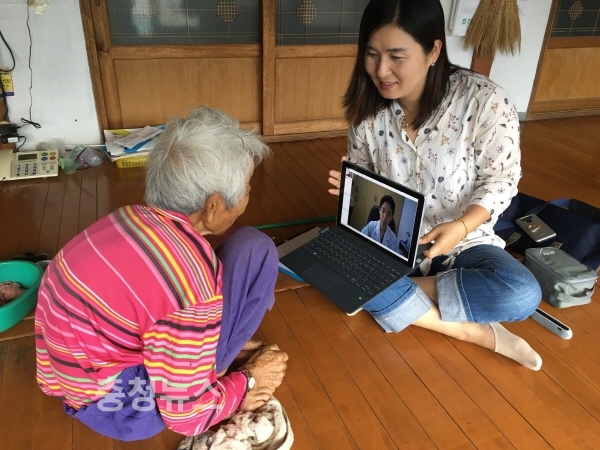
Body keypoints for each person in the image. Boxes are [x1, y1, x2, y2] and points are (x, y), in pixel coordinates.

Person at [35, 107, 289, 441]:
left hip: (73, 372)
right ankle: (214, 378)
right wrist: (249, 379)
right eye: (246, 187)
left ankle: (206, 358)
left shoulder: (126, 217)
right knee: (244, 264)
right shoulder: (190, 285)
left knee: (253, 247)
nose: (247, 196)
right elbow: (186, 419)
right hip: (123, 409)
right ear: (213, 206)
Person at [328, 0, 543, 370]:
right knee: (330, 259)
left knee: (521, 293)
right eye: (372, 54)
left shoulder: (484, 102)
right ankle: (474, 332)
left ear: (433, 51)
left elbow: (501, 180)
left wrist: (461, 226)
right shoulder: (368, 109)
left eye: (396, 56)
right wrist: (354, 191)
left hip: (465, 243)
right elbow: (365, 175)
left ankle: (384, 293)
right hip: (393, 244)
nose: (381, 70)